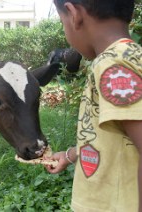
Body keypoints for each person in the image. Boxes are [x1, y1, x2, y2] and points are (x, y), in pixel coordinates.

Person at [44, 0, 142, 211]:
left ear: (73, 14)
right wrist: (70, 156)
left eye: (62, 22)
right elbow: (109, 138)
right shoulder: (127, 57)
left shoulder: (112, 65)